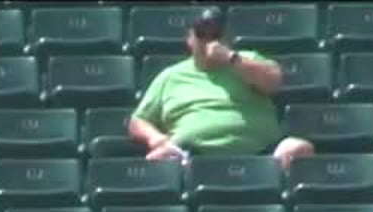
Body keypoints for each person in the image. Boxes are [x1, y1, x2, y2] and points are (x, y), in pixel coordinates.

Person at [126, 6, 314, 170]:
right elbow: (138, 121)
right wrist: (155, 138)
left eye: (215, 35)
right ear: (189, 39)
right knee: (157, 159)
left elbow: (273, 81)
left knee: (299, 149)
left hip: (263, 154)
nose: (209, 41)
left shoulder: (247, 60)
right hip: (190, 157)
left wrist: (231, 58)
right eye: (201, 35)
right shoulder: (171, 76)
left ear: (226, 38)